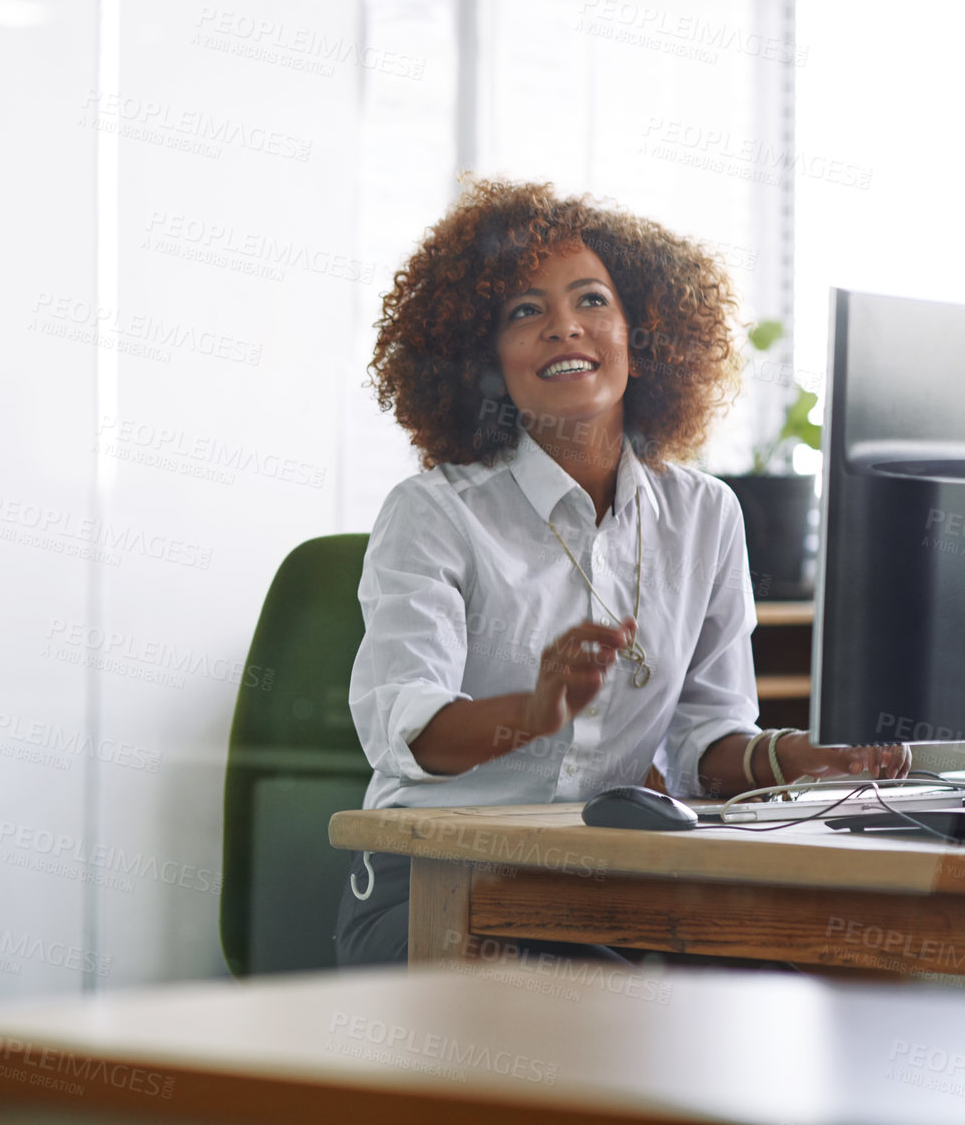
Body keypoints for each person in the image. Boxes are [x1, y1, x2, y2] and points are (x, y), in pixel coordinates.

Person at [335, 178, 911, 967]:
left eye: (592, 301)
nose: (565, 326)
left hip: (612, 890)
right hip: (432, 889)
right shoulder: (434, 514)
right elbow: (406, 730)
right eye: (524, 312)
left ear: (643, 336)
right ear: (483, 359)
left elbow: (704, 741)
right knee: (619, 1017)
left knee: (807, 975)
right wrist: (534, 711)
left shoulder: (705, 515)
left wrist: (789, 761)